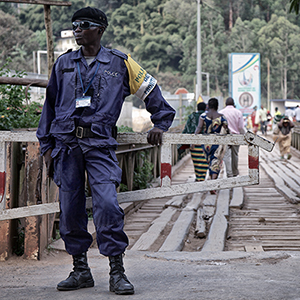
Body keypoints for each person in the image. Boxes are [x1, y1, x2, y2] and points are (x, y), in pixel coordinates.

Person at [36, 7, 175, 295]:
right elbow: (48, 107)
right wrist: (47, 147)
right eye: (74, 25)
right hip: (66, 147)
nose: (77, 29)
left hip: (100, 145)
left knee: (108, 205)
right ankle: (80, 270)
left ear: (99, 30)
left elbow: (151, 90)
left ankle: (117, 271)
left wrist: (160, 123)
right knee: (71, 209)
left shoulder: (120, 63)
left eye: (83, 25)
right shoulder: (62, 64)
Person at [193, 98, 229, 194]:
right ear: (217, 106)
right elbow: (227, 129)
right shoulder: (222, 117)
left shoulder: (203, 116)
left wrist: (193, 140)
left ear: (208, 106)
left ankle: (211, 184)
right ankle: (213, 185)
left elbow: (199, 128)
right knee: (216, 162)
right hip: (218, 143)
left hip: (206, 144)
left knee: (210, 161)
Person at [180, 102, 208, 181]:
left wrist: (182, 140)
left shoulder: (192, 116)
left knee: (196, 161)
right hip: (205, 142)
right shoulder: (207, 116)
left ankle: (198, 177)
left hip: (194, 143)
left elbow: (187, 129)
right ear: (205, 108)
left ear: (197, 108)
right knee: (204, 160)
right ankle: (202, 177)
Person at [219, 97, 245, 178]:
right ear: (233, 104)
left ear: (225, 104)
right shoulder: (238, 112)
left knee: (226, 155)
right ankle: (234, 172)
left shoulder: (221, 112)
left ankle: (229, 173)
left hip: (225, 136)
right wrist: (243, 135)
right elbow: (241, 127)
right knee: (235, 154)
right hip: (236, 136)